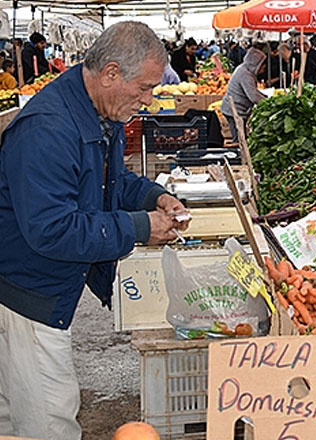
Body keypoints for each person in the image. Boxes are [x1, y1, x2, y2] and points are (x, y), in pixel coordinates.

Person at [0, 21, 188, 439]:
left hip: (46, 288)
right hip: (28, 295)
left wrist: (152, 197)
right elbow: (51, 230)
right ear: (110, 73)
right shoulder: (48, 130)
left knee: (18, 416)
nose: (148, 100)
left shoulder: (99, 112)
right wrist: (140, 227)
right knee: (49, 420)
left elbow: (109, 182)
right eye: (143, 88)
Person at [221, 48, 267, 143]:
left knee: (242, 136)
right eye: (262, 67)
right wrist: (269, 103)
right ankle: (237, 156)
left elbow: (254, 92)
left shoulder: (244, 69)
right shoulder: (245, 75)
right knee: (239, 139)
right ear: (256, 65)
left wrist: (265, 97)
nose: (263, 69)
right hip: (233, 110)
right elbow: (253, 96)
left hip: (238, 110)